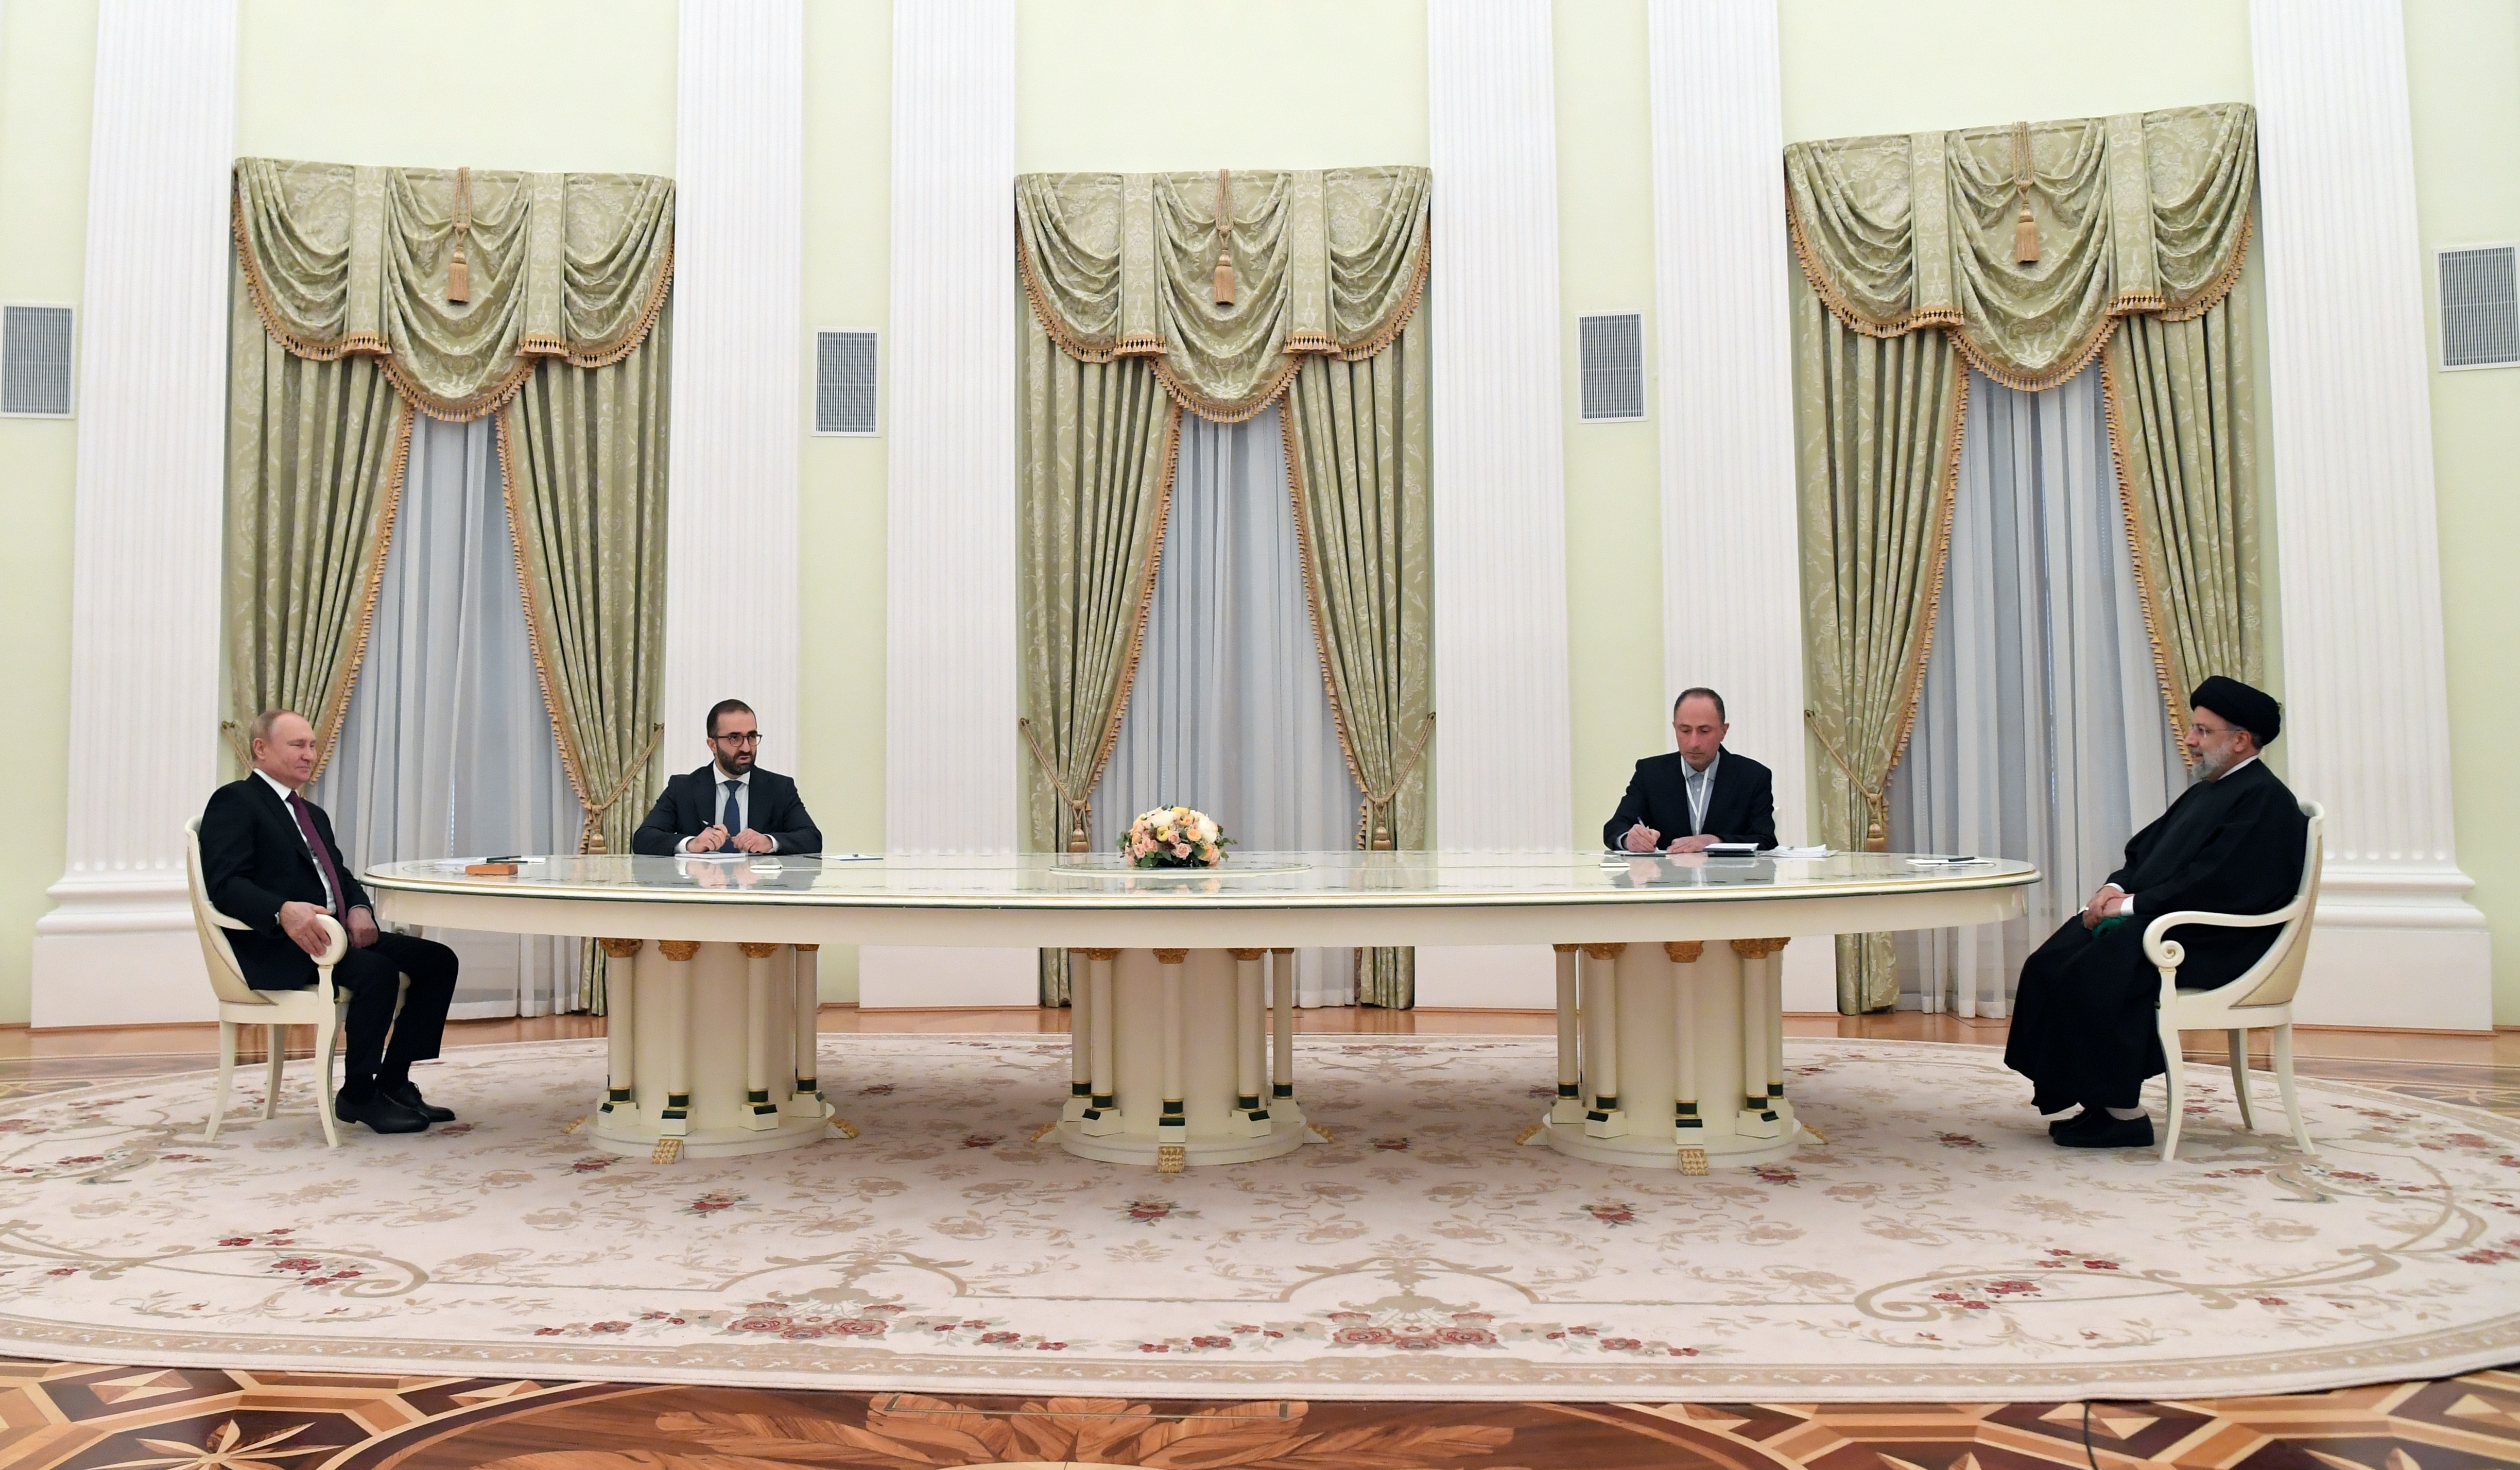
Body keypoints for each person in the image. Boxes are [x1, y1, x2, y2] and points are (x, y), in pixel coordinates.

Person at [2004, 676, 2309, 1149]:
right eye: (2194, 729)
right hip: (2172, 923)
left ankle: (2124, 1115)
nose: (2189, 740)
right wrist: (2113, 888)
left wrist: (2125, 907)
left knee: (2102, 969)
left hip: (2219, 940)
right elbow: (2146, 851)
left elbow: (2216, 883)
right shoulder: (2211, 788)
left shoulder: (2264, 800)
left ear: (2241, 740)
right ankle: (2092, 1100)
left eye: (2203, 732)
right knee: (2053, 960)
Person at [197, 710, 461, 1135]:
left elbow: (338, 876)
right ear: (261, 750)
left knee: (437, 960)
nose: (310, 755)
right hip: (282, 943)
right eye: (298, 745)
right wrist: (283, 910)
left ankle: (394, 1081)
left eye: (313, 745)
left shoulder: (310, 813)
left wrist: (359, 908)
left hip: (334, 934)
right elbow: (225, 884)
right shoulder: (235, 802)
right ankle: (358, 1095)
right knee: (379, 973)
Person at [632, 699, 823, 857]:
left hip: (760, 895)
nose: (746, 748)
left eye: (752, 736)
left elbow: (812, 838)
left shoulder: (779, 788)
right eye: (734, 738)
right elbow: (644, 839)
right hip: (702, 895)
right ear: (712, 745)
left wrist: (770, 842)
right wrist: (691, 844)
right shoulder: (683, 788)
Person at [1602, 687, 1780, 853]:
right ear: (1675, 728)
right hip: (1668, 882)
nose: (1694, 743)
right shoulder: (1651, 773)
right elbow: (1615, 827)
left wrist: (1715, 842)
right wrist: (1629, 840)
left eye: (1704, 731)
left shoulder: (1753, 777)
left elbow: (1765, 839)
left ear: (1723, 731)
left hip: (1728, 881)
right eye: (1685, 731)